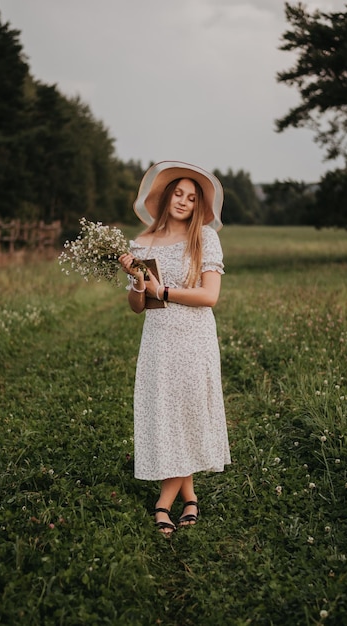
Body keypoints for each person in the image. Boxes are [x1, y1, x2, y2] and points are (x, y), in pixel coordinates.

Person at [119, 161, 231, 536]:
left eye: (191, 197)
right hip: (158, 339)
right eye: (178, 194)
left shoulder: (205, 238)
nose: (183, 201)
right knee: (167, 414)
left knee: (188, 413)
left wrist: (161, 290)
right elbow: (138, 306)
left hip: (194, 338)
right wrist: (137, 284)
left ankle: (163, 503)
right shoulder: (142, 243)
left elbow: (210, 296)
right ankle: (191, 496)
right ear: (166, 197)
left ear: (198, 205)